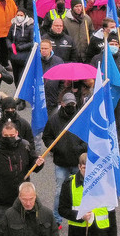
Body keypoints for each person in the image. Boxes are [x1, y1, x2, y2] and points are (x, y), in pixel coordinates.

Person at [0, 121, 45, 224]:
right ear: (2, 135)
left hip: (22, 199)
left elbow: (33, 164)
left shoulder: (25, 146)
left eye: (11, 135)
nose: (9, 138)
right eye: (6, 135)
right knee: (1, 228)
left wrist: (38, 163)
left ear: (17, 133)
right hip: (1, 202)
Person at [43, 93, 86, 226]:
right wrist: (55, 148)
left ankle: (81, 214)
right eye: (68, 105)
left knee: (80, 191)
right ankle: (57, 218)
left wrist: (80, 148)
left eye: (73, 104)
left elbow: (88, 137)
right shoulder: (54, 119)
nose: (71, 107)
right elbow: (47, 137)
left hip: (77, 163)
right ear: (62, 104)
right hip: (61, 162)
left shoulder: (81, 118)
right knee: (59, 191)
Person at [58, 153, 117, 236]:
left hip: (100, 231)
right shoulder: (69, 184)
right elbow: (62, 210)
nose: (88, 172)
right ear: (79, 167)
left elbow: (111, 213)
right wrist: (81, 215)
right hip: (78, 231)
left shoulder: (105, 184)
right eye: (84, 168)